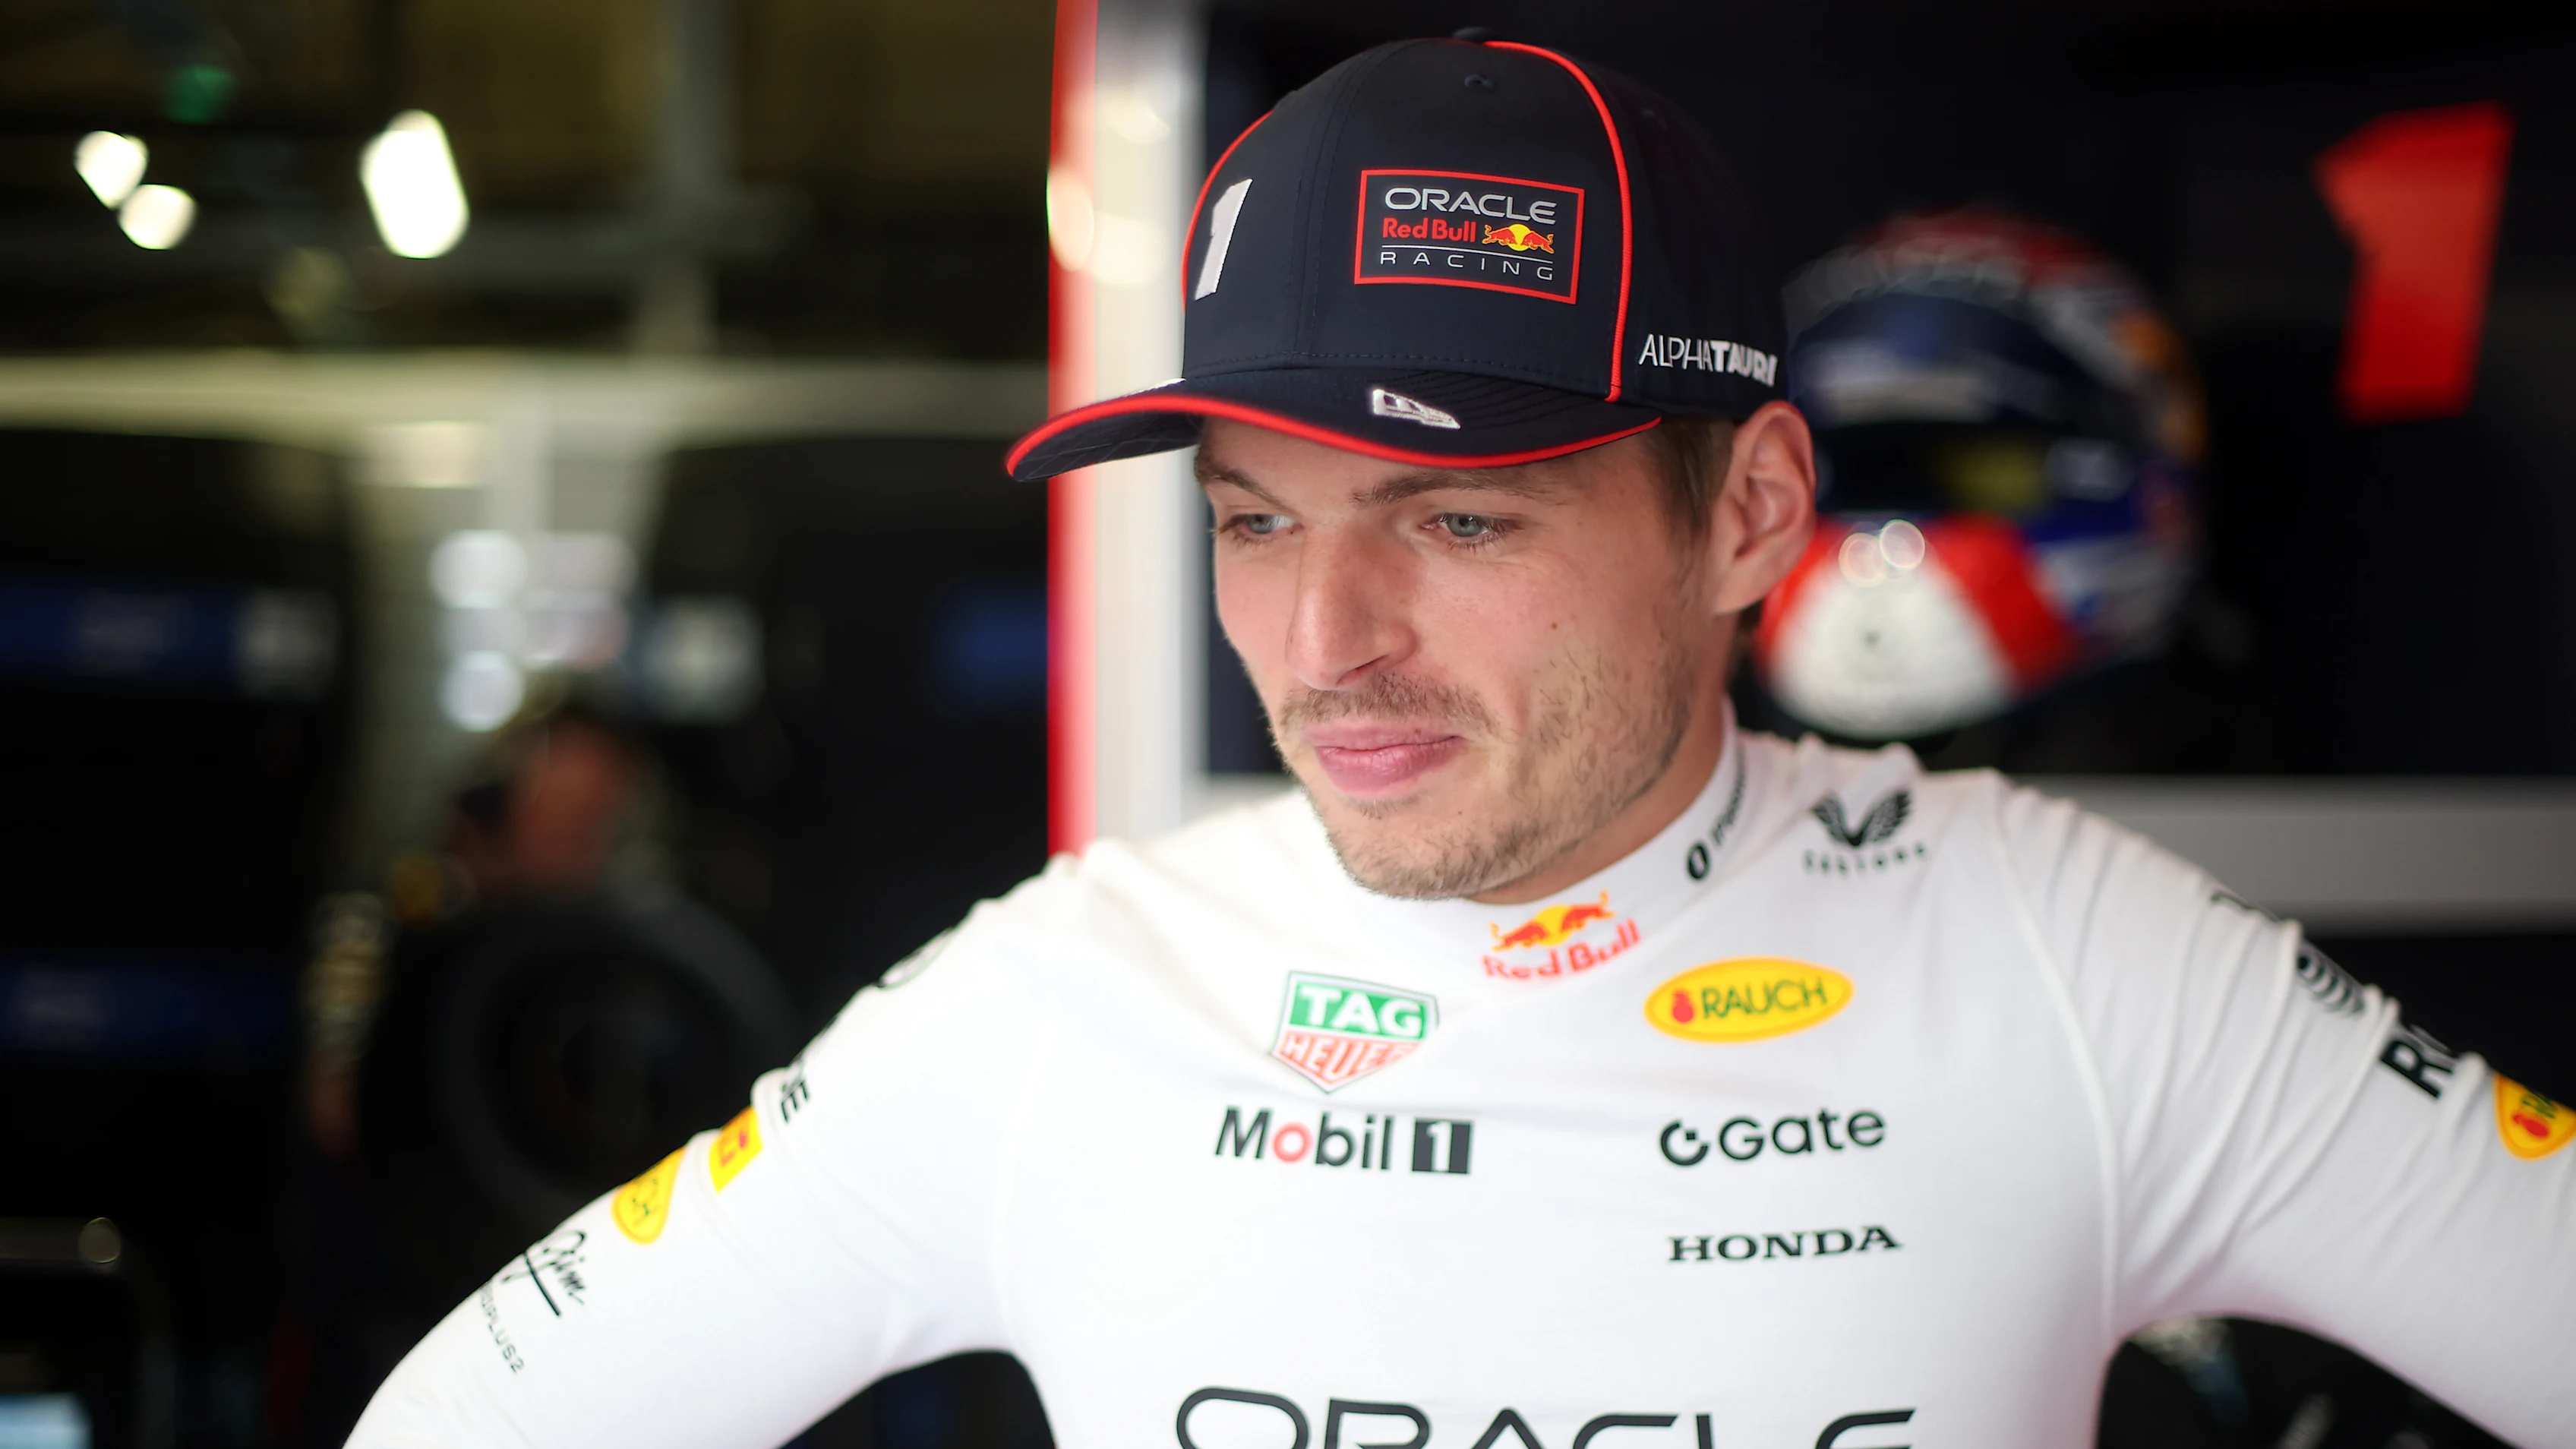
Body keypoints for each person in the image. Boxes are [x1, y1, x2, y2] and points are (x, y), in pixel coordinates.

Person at [346, 35, 2574, 1449]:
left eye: (1460, 517)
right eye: (1256, 520)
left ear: (1754, 513)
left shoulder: (2076, 962)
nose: (1326, 645)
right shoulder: (1059, 997)